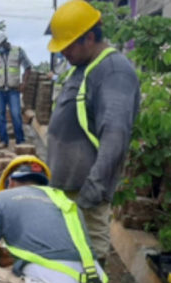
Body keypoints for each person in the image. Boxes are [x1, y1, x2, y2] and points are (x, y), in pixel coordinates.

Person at [45, 0, 141, 265]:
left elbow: (115, 136)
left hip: (84, 193)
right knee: (69, 260)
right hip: (69, 191)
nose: (62, 51)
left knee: (88, 259)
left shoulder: (113, 71)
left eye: (67, 45)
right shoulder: (84, 67)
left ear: (89, 38)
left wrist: (92, 191)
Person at [0, 30, 33, 148]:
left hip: (13, 90)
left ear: (4, 42)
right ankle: (3, 140)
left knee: (16, 115)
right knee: (0, 115)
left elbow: (28, 67)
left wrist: (24, 83)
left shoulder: (18, 51)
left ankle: (20, 141)